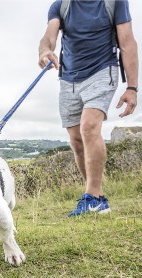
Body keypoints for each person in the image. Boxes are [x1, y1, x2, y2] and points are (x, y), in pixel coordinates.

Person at [38, 0, 139, 216]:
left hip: (103, 70)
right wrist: (45, 51)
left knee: (89, 127)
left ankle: (92, 198)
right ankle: (96, 196)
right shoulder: (61, 6)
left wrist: (132, 87)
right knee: (76, 141)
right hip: (69, 78)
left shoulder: (114, 3)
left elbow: (127, 42)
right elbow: (49, 37)